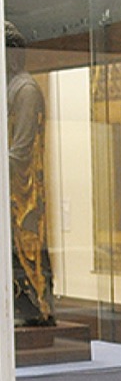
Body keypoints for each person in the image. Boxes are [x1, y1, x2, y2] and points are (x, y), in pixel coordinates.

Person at [6, 20, 53, 326]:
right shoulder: (10, 87)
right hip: (8, 187)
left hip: (23, 190)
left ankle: (33, 308)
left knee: (26, 251)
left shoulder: (25, 90)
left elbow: (21, 150)